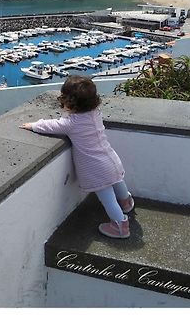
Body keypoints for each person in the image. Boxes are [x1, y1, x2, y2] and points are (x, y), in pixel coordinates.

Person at [20, 75, 134, 239]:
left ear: (69, 102)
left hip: (96, 168)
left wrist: (33, 125)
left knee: (107, 198)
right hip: (110, 158)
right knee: (117, 181)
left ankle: (120, 226)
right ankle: (126, 202)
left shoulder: (71, 123)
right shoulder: (95, 113)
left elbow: (51, 126)